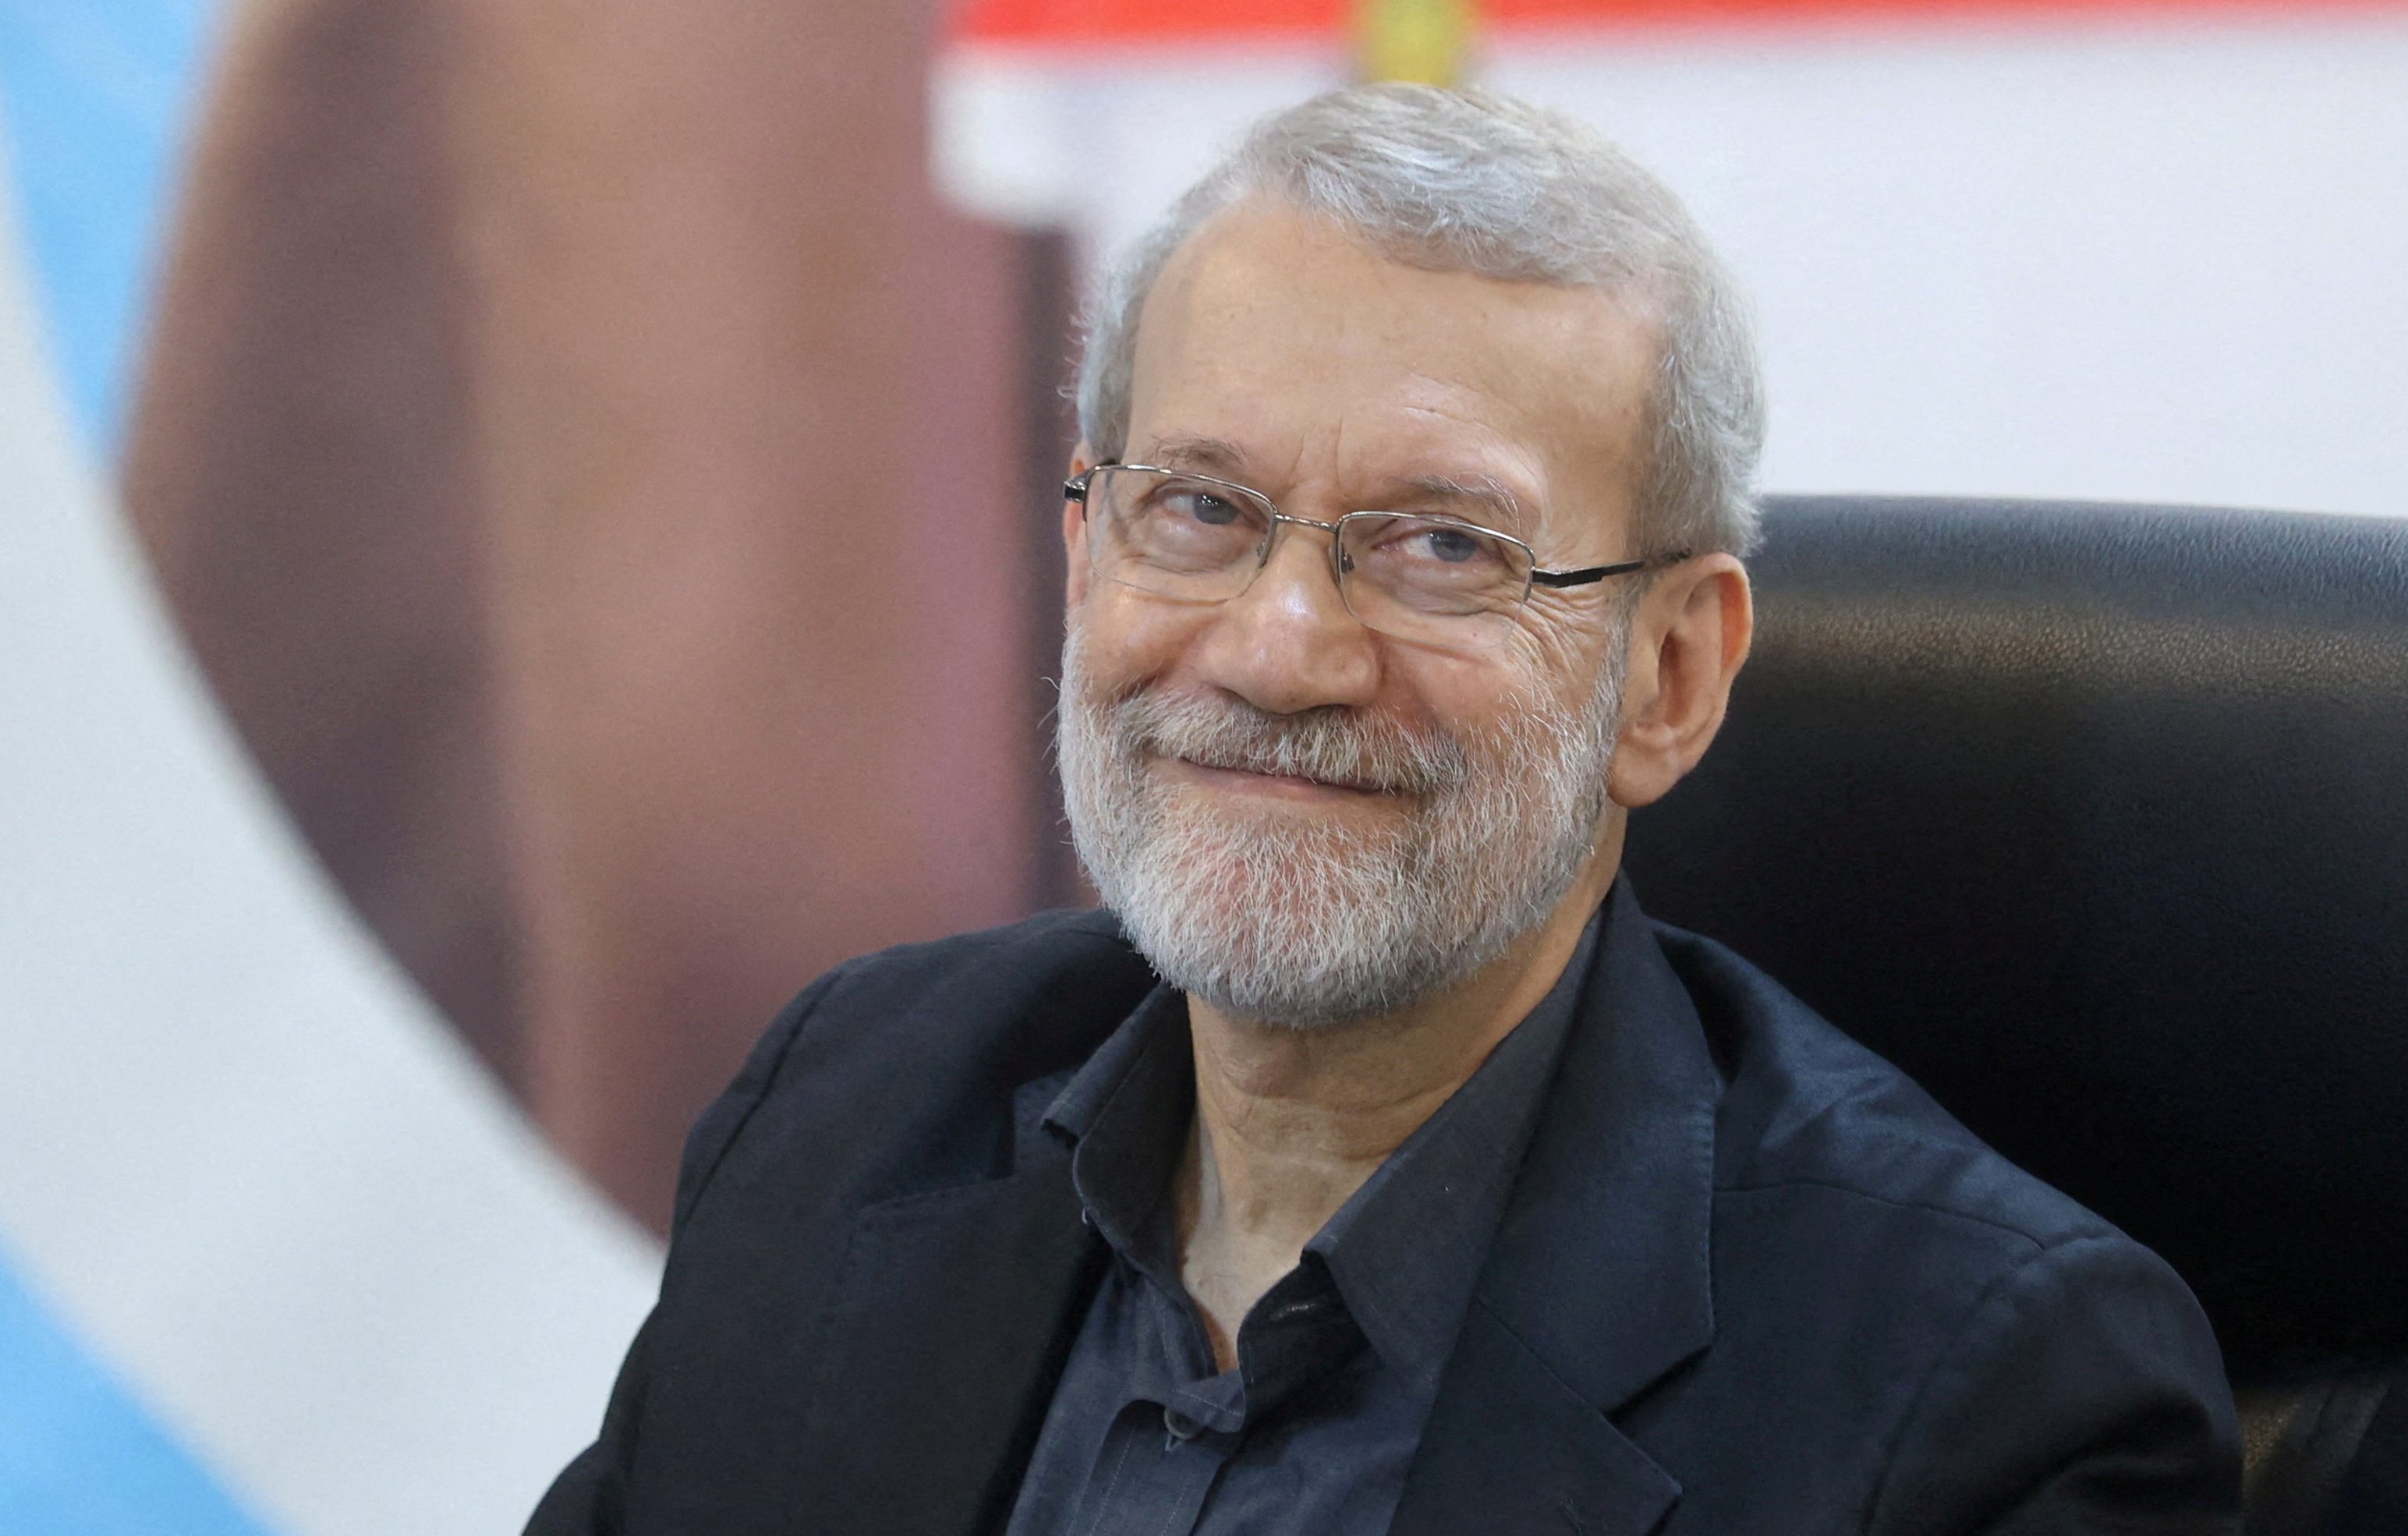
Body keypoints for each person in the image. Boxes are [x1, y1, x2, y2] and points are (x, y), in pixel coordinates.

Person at [528, 84, 2240, 1535]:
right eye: (1199, 506)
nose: (1278, 649)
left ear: (1668, 678)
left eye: (1442, 547)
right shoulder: (844, 1111)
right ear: (1082, 550)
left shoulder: (1987, 1403)